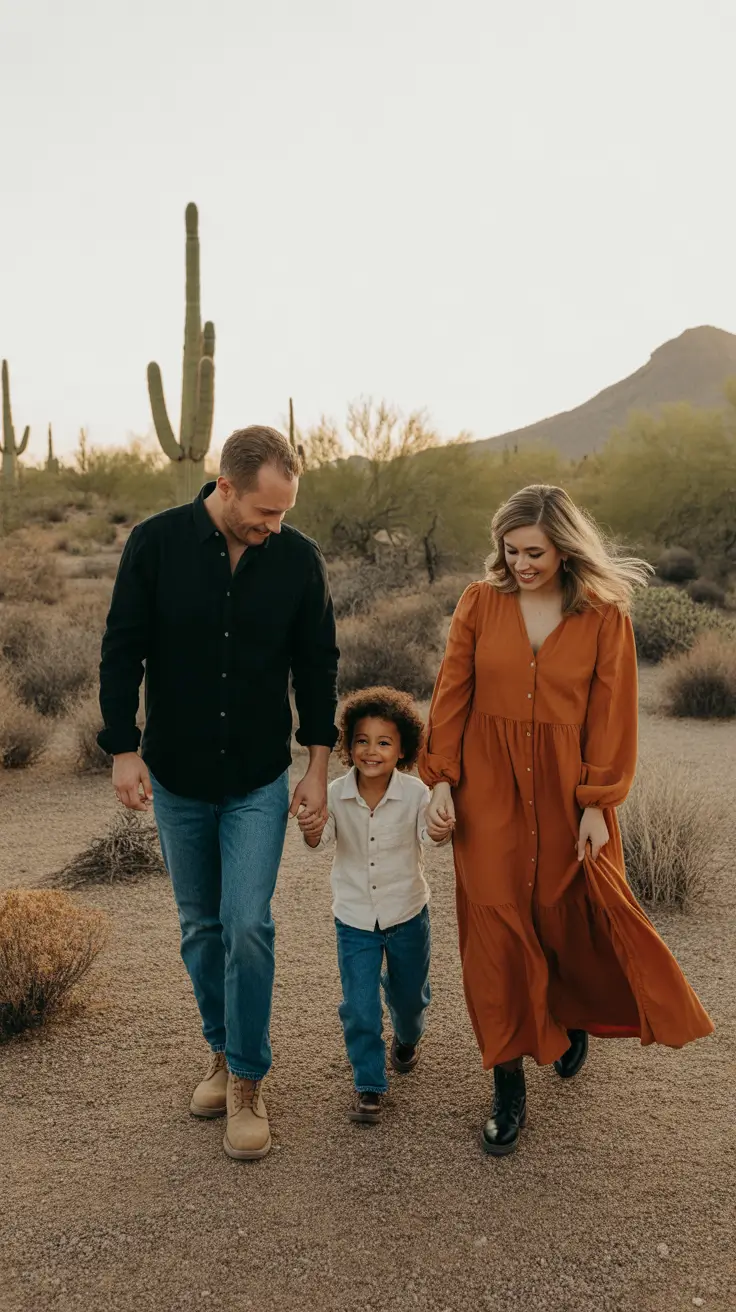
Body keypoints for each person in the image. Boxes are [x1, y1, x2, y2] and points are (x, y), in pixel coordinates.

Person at [420, 484, 714, 1157]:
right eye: (510, 550)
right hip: (487, 788)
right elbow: (451, 693)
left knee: (561, 916)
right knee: (493, 928)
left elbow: (611, 715)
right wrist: (439, 780)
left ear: (566, 548)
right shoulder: (478, 603)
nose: (520, 563)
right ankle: (507, 1080)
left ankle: (569, 1015)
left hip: (565, 791)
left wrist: (595, 804)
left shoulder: (604, 617)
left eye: (535, 552)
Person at [98, 426, 339, 1161]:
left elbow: (317, 664)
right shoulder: (156, 543)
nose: (276, 527)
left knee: (247, 925)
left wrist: (318, 767)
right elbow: (121, 645)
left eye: (285, 513)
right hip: (174, 773)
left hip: (259, 777)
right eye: (265, 513)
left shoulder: (297, 560)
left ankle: (245, 1080)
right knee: (200, 927)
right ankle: (220, 1047)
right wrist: (123, 749)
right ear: (225, 487)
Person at [299, 687, 452, 1123]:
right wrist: (311, 828)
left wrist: (439, 831)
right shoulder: (334, 793)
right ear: (348, 746)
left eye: (384, 742)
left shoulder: (417, 794)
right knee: (359, 1005)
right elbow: (320, 840)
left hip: (407, 914)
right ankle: (369, 1084)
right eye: (362, 741)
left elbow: (429, 838)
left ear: (402, 748)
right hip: (354, 920)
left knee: (409, 999)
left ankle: (406, 1038)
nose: (372, 751)